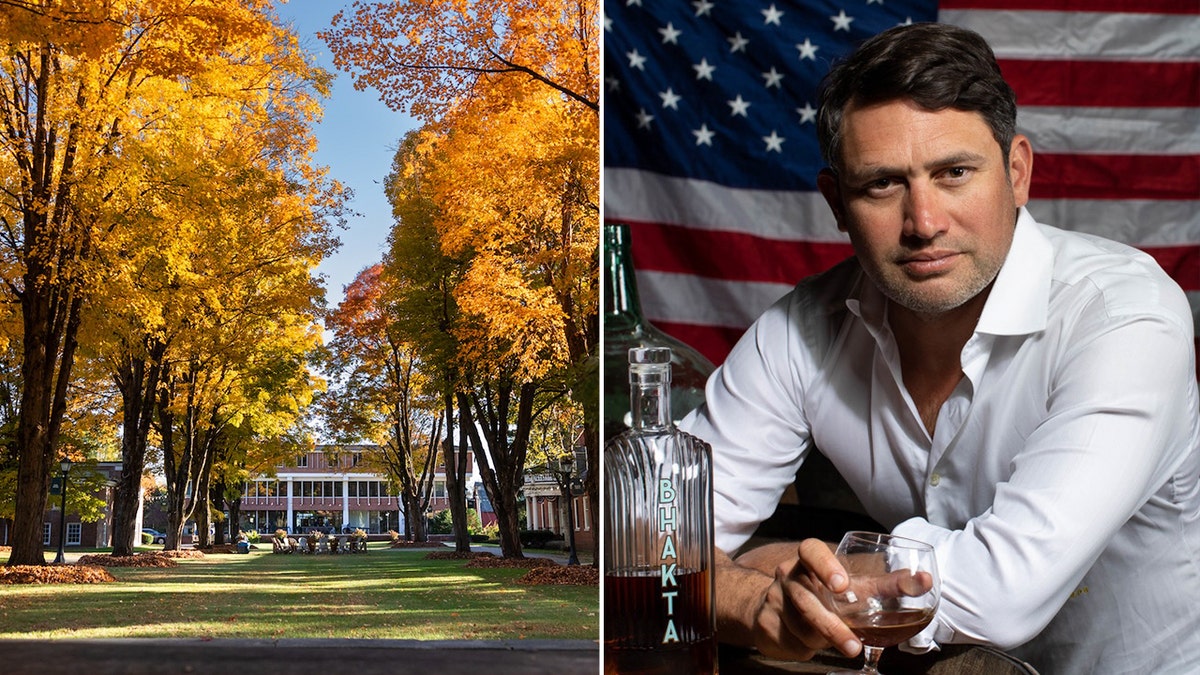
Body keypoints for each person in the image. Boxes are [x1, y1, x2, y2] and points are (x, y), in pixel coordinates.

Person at [678, 22, 1200, 675]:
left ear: (1016, 172)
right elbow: (651, 539)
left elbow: (999, 592)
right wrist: (752, 594)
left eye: (954, 173)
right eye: (882, 184)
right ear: (837, 203)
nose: (924, 222)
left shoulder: (1124, 318)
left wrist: (780, 562)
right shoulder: (801, 330)